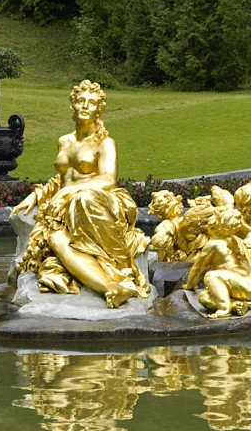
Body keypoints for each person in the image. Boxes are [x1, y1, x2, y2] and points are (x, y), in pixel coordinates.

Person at [10, 80, 150, 308]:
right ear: (72, 106)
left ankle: (121, 266)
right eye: (80, 101)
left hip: (97, 202)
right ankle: (112, 288)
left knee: (81, 198)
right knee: (55, 239)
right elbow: (63, 177)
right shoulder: (63, 141)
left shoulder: (105, 142)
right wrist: (39, 194)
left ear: (99, 110)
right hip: (65, 208)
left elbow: (108, 179)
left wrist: (67, 193)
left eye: (92, 103)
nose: (85, 106)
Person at [183, 208, 251, 318]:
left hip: (241, 283)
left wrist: (190, 285)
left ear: (215, 227)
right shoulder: (236, 240)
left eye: (210, 226)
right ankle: (237, 305)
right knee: (204, 297)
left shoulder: (213, 243)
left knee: (210, 276)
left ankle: (224, 309)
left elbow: (198, 267)